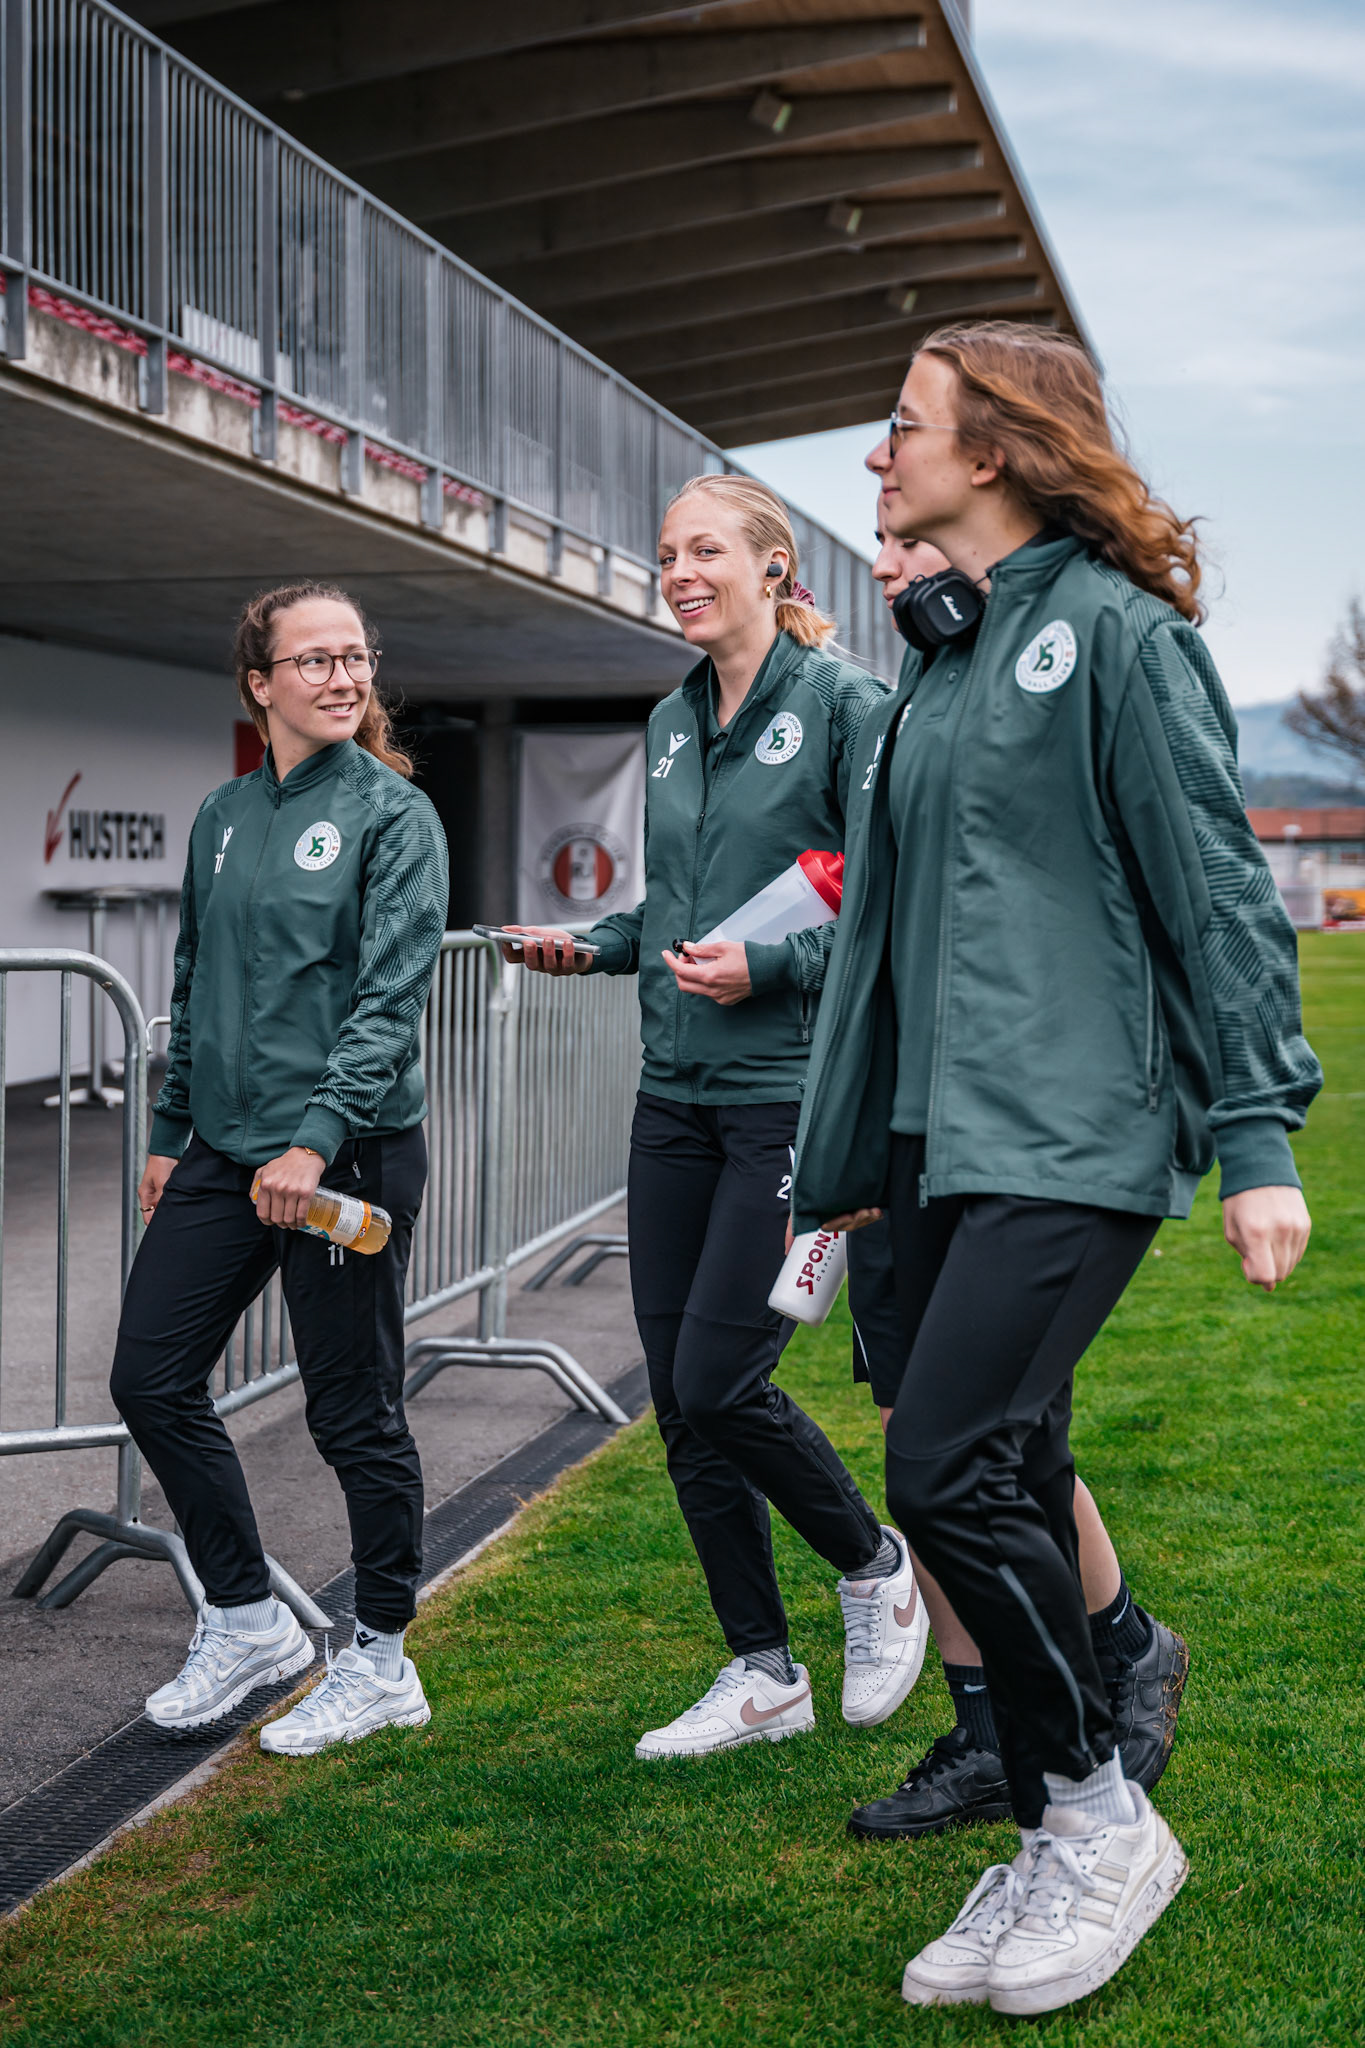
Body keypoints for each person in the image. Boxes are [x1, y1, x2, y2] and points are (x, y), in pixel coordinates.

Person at [792, 323, 1319, 2015]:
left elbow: (1218, 892)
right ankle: (1052, 1807)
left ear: (999, 449)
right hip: (938, 1143)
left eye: (903, 427)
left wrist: (1256, 1137)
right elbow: (900, 929)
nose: (878, 455)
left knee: (944, 1469)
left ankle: (1097, 1813)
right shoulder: (943, 658)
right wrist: (860, 1147)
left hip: (1078, 1134)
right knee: (996, 1459)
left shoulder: (1116, 635)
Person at [503, 472, 927, 1760]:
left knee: (717, 1375)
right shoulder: (672, 716)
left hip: (785, 1095)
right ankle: (761, 1669)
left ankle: (873, 1563)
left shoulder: (850, 706)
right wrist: (598, 944)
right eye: (667, 553)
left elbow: (884, 903)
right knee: (682, 1408)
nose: (679, 570)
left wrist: (776, 971)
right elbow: (681, 908)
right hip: (670, 1095)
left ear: (775, 569)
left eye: (704, 551)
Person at [844, 526, 1188, 1843]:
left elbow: (1163, 892)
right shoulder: (913, 696)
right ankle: (1021, 1725)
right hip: (904, 1130)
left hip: (1021, 1127)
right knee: (960, 1441)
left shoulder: (1070, 661)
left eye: (902, 531)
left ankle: (1081, 1718)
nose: (880, 556)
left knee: (961, 1451)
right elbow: (879, 913)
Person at [110, 582, 448, 1756]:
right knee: (150, 1374)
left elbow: (388, 998)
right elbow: (196, 980)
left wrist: (315, 1136)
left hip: (342, 1153)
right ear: (261, 682)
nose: (344, 677)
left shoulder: (392, 815)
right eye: (314, 661)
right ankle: (249, 1617)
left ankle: (384, 1655)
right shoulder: (220, 812)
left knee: (352, 1411)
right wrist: (170, 1128)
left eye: (356, 656)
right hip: (225, 1149)